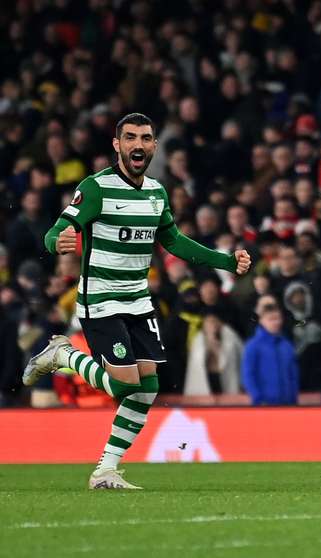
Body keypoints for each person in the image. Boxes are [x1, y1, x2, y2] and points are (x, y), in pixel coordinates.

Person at [22, 113, 251, 489]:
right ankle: (62, 354)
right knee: (126, 386)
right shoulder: (96, 188)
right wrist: (56, 241)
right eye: (130, 138)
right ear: (117, 145)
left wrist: (226, 261)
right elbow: (59, 228)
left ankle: (105, 470)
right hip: (101, 299)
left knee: (147, 388)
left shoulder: (156, 192)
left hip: (139, 301)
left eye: (145, 138)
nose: (138, 144)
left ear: (154, 146)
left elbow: (175, 242)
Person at [241, 304, 298, 405]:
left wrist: (293, 398)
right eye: (271, 319)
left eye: (278, 318)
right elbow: (248, 375)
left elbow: (293, 374)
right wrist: (258, 398)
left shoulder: (287, 345)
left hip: (288, 404)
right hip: (263, 405)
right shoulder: (253, 346)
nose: (276, 322)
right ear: (261, 320)